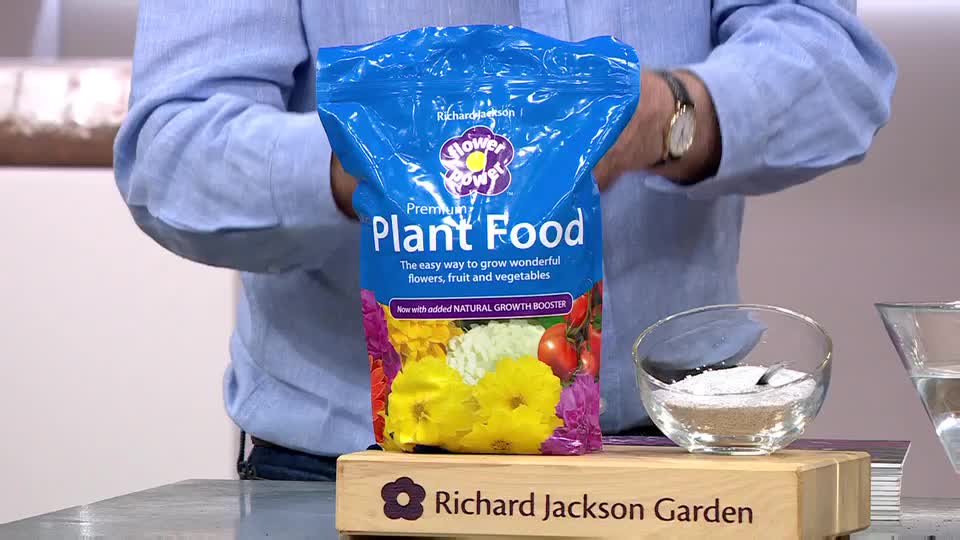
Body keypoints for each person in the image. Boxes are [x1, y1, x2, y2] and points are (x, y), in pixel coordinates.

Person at [113, 1, 896, 481]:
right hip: (351, 468)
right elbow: (170, 155)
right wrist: (373, 159)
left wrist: (670, 114)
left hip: (673, 448)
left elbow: (836, 68)